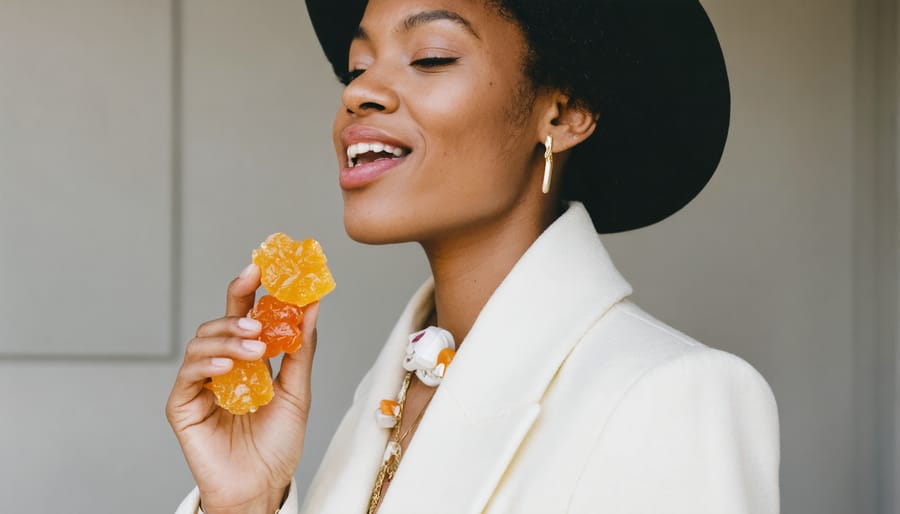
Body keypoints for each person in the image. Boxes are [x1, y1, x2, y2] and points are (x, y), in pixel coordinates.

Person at [168, 0, 780, 512]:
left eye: (430, 57)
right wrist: (245, 502)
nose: (360, 92)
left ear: (563, 114)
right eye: (357, 67)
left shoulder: (671, 395)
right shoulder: (386, 393)